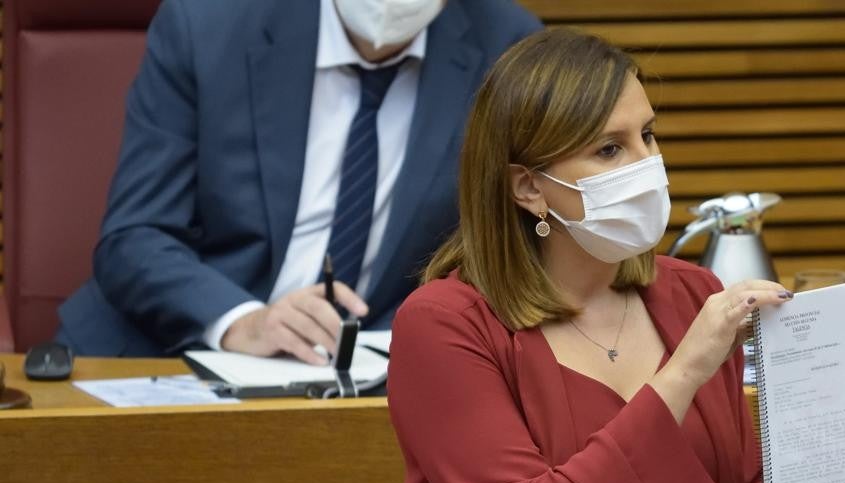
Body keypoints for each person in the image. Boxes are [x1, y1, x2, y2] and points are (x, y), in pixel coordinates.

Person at [386, 28, 845, 483]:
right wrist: (683, 372)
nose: (646, 164)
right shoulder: (444, 324)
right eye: (610, 148)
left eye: (649, 136)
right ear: (528, 189)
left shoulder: (689, 294)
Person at [56, 0, 541, 362]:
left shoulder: (507, 48)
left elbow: (510, 251)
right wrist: (242, 322)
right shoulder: (206, 24)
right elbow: (135, 237)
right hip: (172, 352)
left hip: (370, 377)